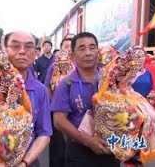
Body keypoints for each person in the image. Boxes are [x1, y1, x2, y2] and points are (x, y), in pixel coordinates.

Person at [50, 32, 120, 167]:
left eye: (92, 47)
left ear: (98, 52)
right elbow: (58, 121)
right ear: (73, 55)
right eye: (82, 49)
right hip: (80, 152)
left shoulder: (111, 81)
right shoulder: (66, 84)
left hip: (110, 149)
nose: (88, 53)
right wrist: (88, 141)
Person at [93, 46, 155, 165]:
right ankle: (130, 151)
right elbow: (110, 85)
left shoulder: (142, 71)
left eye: (141, 55)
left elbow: (130, 84)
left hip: (131, 95)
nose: (140, 58)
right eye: (137, 55)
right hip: (116, 95)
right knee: (135, 118)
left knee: (151, 115)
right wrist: (118, 93)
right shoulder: (114, 68)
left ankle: (140, 150)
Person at [4, 31, 52, 166]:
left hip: (27, 161)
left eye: (29, 47)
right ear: (5, 50)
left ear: (35, 52)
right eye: (15, 46)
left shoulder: (40, 90)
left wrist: (25, 162)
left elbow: (44, 133)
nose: (22, 52)